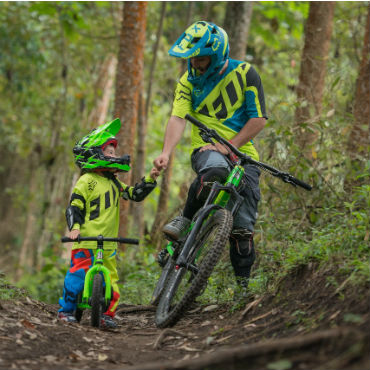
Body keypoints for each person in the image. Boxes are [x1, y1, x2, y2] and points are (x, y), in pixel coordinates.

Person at [153, 21, 267, 297]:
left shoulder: (245, 73)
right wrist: (166, 152)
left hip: (245, 156)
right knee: (214, 169)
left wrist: (231, 145)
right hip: (207, 151)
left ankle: (242, 292)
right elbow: (178, 117)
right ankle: (185, 220)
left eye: (201, 58)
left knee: (242, 230)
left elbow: (258, 118)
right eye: (192, 58)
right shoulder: (187, 81)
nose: (196, 64)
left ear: (217, 55)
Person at [58, 118, 160, 328]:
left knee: (111, 281)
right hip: (86, 242)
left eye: (114, 153)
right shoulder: (86, 180)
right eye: (109, 153)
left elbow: (134, 194)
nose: (114, 156)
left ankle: (107, 315)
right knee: (76, 277)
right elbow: (74, 206)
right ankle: (66, 311)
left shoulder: (114, 182)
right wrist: (75, 228)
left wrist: (150, 179)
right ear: (94, 153)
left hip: (109, 245)